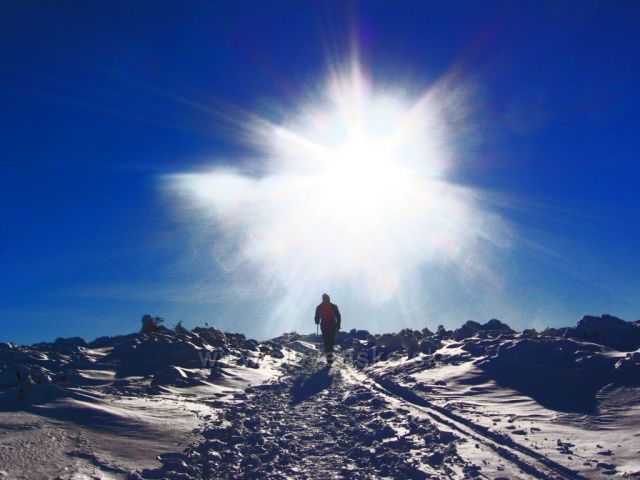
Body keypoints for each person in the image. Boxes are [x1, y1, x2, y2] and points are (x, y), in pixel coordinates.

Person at [314, 293, 341, 365]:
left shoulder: (319, 307)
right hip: (332, 325)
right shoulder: (333, 306)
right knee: (330, 341)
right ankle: (330, 357)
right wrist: (338, 325)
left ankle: (329, 358)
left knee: (327, 341)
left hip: (324, 326)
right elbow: (338, 316)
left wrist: (317, 321)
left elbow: (316, 317)